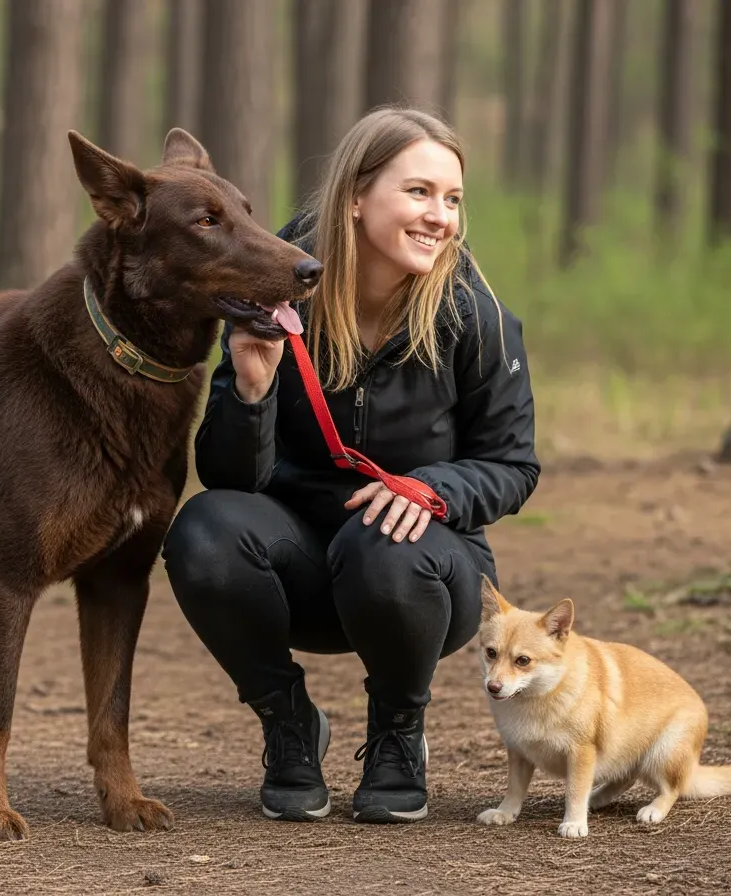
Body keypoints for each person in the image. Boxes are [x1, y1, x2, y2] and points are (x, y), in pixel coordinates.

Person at [160, 107, 540, 824]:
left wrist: (433, 488)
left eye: (453, 199)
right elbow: (229, 479)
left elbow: (513, 465)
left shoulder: (476, 316)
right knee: (202, 530)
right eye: (419, 193)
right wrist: (250, 389)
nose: (441, 217)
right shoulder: (276, 290)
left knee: (386, 542)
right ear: (356, 197)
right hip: (297, 567)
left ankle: (399, 731)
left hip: (424, 576)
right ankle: (288, 723)